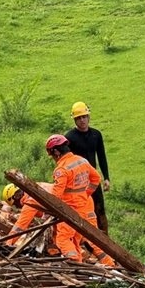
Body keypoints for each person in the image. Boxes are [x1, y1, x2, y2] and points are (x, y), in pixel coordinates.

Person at [45, 134, 115, 266]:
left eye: (52, 155)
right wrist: (85, 194)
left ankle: (75, 263)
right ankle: (109, 264)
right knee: (77, 239)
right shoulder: (81, 161)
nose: (53, 158)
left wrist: (49, 212)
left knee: (63, 239)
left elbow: (55, 197)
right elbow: (96, 179)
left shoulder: (61, 169)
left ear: (56, 152)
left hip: (69, 211)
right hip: (84, 208)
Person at [65, 101, 112, 233]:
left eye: (84, 116)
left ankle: (104, 238)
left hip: (93, 179)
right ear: (74, 120)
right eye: (79, 118)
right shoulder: (69, 138)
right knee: (82, 211)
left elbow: (101, 156)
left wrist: (106, 178)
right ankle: (85, 239)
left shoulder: (96, 135)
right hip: (78, 182)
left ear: (88, 117)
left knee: (99, 209)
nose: (82, 120)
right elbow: (66, 162)